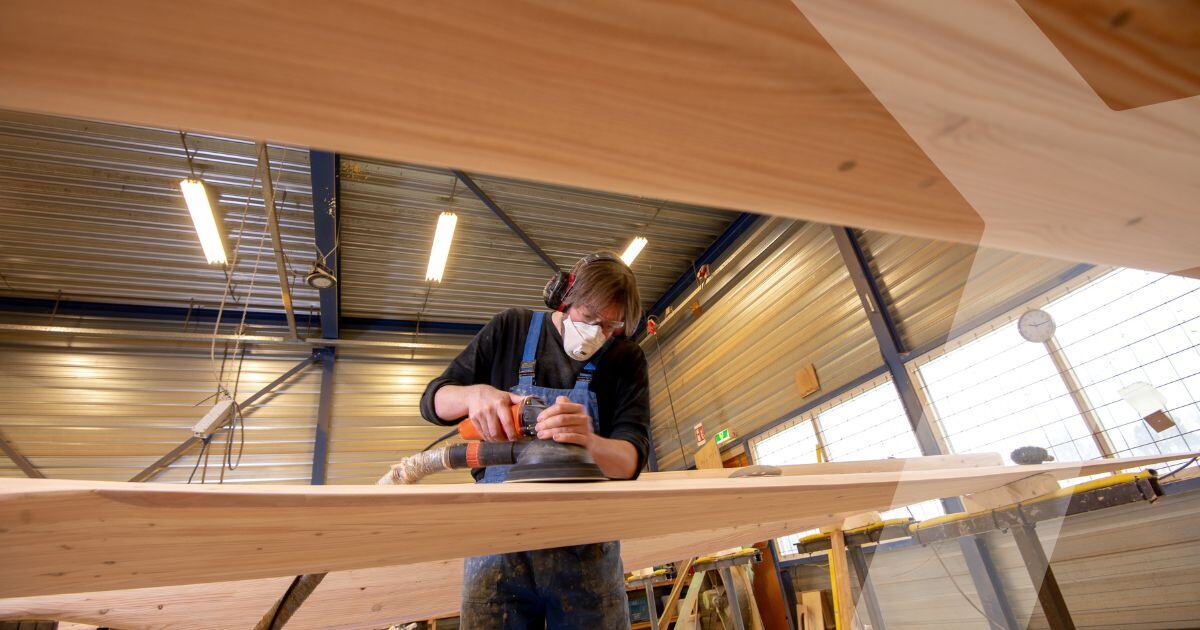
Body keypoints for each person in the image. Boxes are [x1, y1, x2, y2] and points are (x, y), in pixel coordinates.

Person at [419, 251, 651, 629]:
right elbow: (432, 402)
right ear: (564, 296)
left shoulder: (626, 359)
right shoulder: (511, 328)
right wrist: (473, 394)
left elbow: (631, 459)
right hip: (496, 543)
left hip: (586, 546)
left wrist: (589, 442)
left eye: (609, 327)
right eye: (589, 318)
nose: (596, 334)